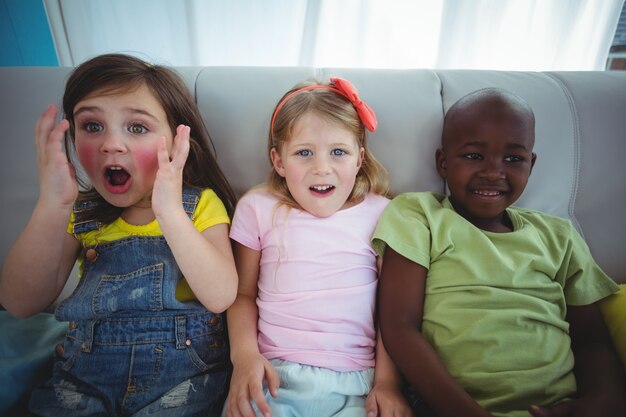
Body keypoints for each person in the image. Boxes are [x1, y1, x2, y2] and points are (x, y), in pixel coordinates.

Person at [0, 53, 239, 416]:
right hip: (83, 379)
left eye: (137, 128)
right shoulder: (80, 213)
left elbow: (221, 296)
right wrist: (52, 204)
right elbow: (19, 302)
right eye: (92, 126)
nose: (111, 144)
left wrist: (170, 213)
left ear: (176, 142)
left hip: (182, 381)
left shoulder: (197, 206)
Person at [372, 87, 626, 417]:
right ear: (443, 162)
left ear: (531, 164)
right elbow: (399, 325)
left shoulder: (558, 235)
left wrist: (601, 402)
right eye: (474, 156)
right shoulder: (419, 215)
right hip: (447, 405)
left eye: (513, 158)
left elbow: (592, 339)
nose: (494, 172)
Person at [222, 78, 412, 417]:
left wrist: (388, 383)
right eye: (303, 152)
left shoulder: (382, 214)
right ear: (278, 161)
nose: (321, 167)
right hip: (272, 378)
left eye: (338, 152)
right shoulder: (258, 208)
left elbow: (392, 311)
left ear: (359, 159)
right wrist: (245, 358)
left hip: (357, 384)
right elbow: (242, 295)